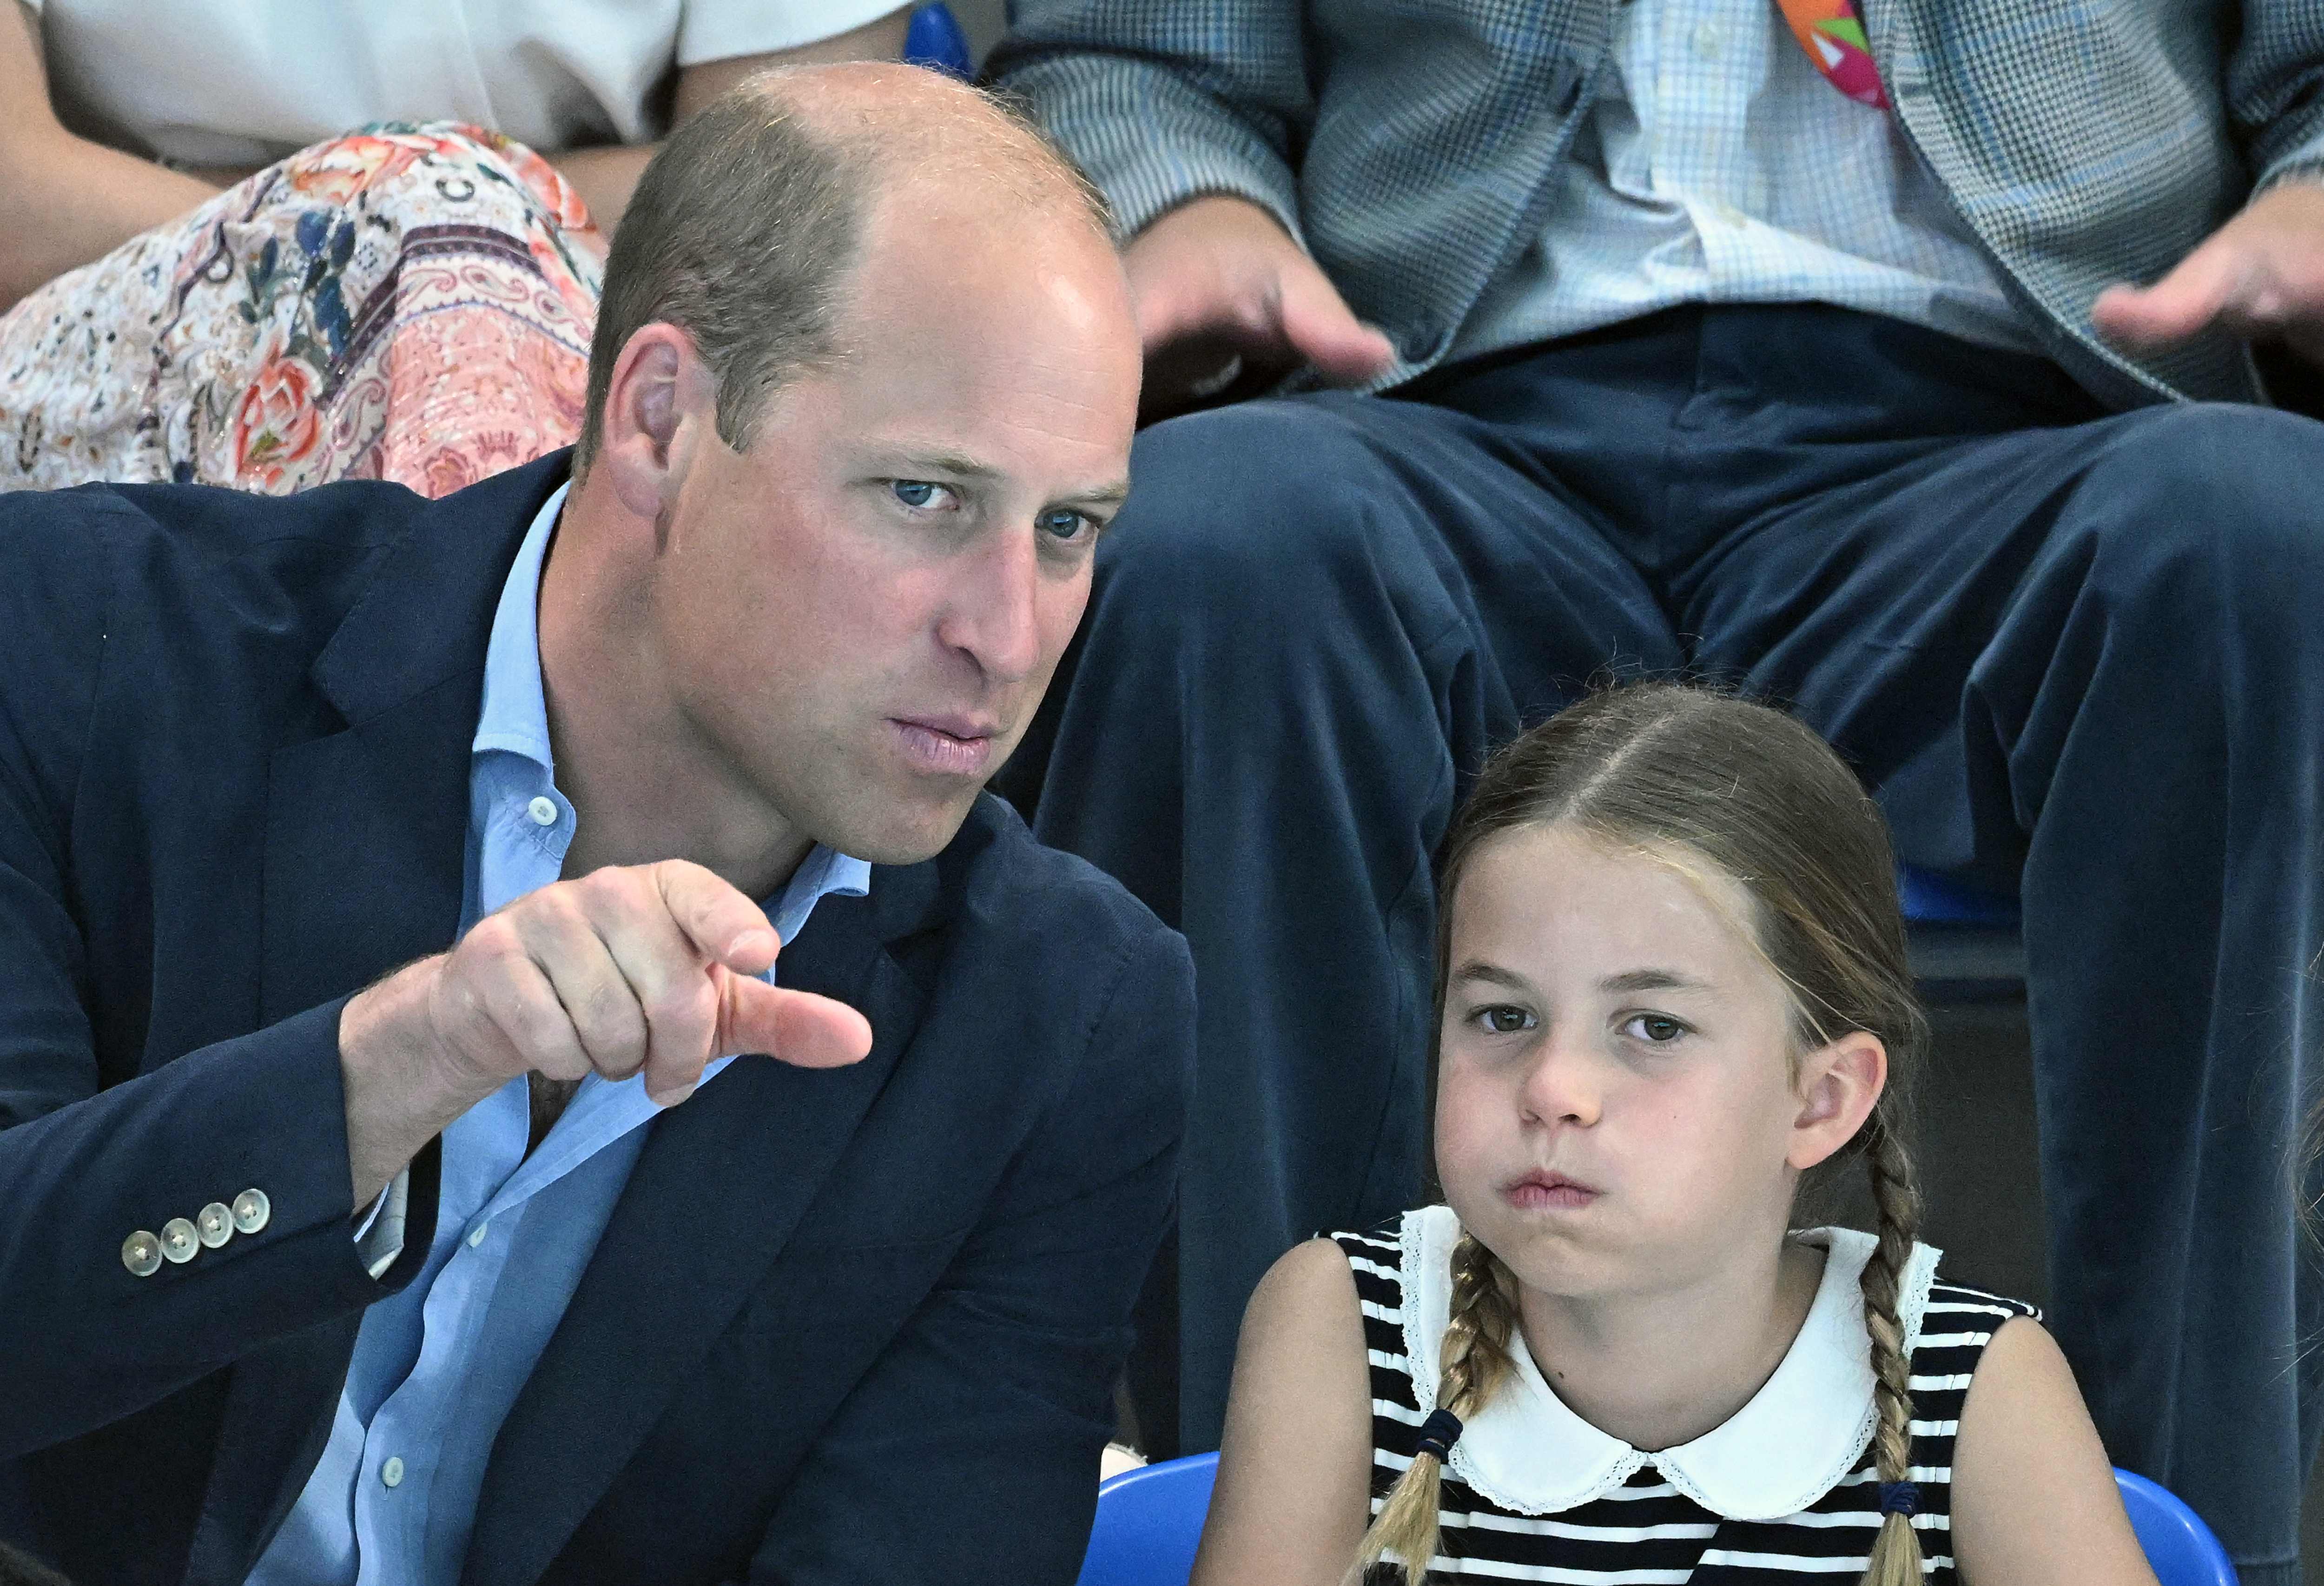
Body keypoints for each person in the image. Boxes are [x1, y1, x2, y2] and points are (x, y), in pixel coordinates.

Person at [989, 3, 2324, 1576]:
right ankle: (1282, 1516)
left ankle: (2187, 1536)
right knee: (1218, 554)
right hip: (1437, 397)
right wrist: (1185, 197)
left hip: (2022, 407)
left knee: (2266, 543)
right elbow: (1142, 61)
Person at [0, 61, 1182, 1586]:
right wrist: (395, 1063)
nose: (1011, 636)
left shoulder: (1070, 1023)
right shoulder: (80, 648)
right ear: (658, 421)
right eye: (923, 497)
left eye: (1069, 527)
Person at [1193, 684, 2158, 1586]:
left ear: (1819, 1099)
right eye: (1501, 1015)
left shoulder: (1975, 1383)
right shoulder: (1339, 1325)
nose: (1554, 1088)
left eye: (1652, 1026)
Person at [0, 0, 911, 493]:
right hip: (115, 300)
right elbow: (19, 198)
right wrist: (376, 216)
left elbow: (775, 197)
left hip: (597, 290)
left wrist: (439, 214)